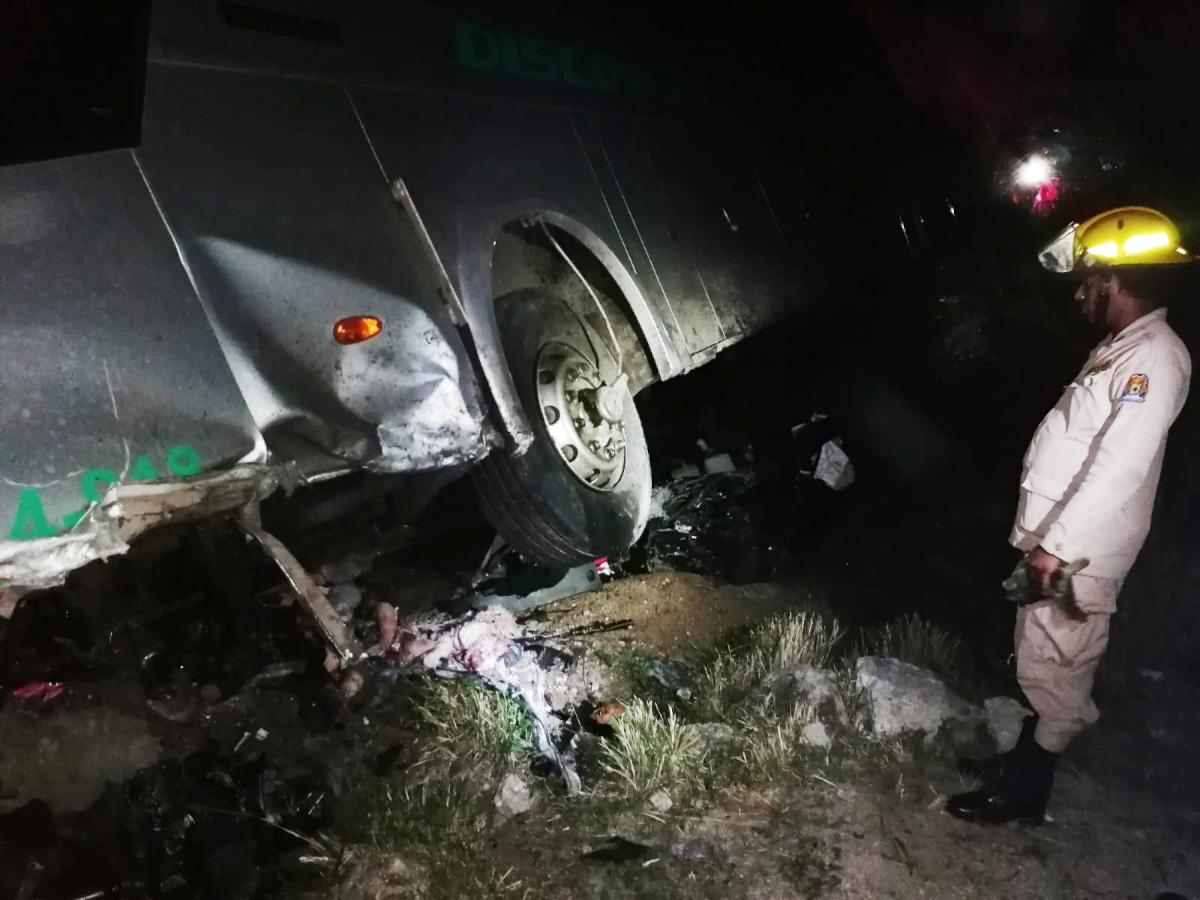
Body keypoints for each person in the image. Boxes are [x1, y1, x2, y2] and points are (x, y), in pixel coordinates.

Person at [948, 207, 1194, 825]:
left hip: (1081, 552)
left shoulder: (1154, 358)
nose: (1081, 293)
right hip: (1065, 544)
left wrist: (1055, 546)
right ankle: (1023, 770)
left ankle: (1026, 795)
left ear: (1116, 279)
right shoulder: (1123, 349)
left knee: (1058, 668)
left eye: (1088, 279)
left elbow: (1119, 467)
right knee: (1039, 656)